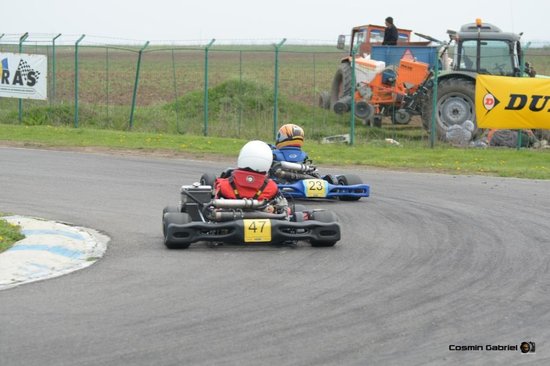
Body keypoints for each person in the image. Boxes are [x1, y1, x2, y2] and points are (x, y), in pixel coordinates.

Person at [214, 140, 279, 201]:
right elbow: (285, 209)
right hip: (263, 209)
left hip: (227, 209)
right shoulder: (271, 188)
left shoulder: (224, 186)